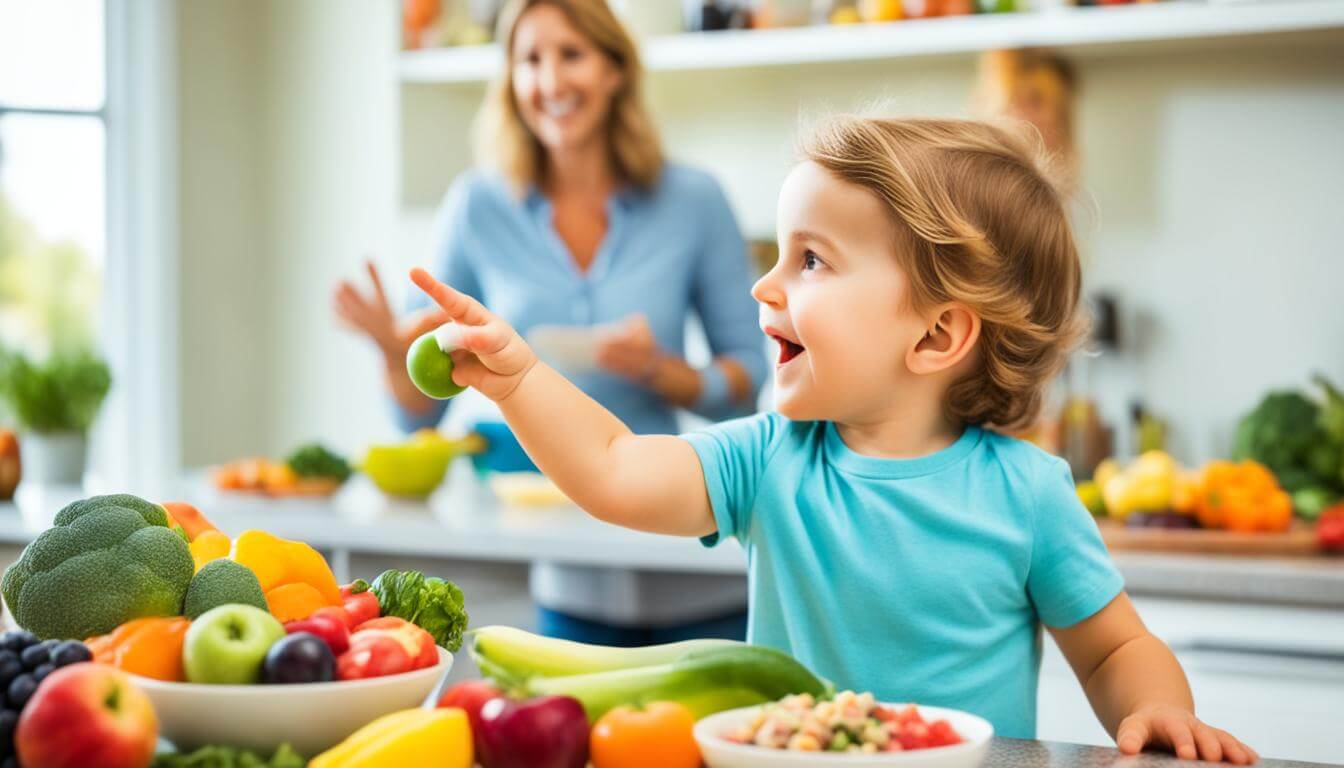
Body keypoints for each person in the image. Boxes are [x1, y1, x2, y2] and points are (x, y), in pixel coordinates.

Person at [402, 116, 1259, 762]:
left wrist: (1156, 713)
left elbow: (1114, 647)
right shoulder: (769, 457)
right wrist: (519, 380)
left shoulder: (1027, 493)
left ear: (934, 337)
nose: (763, 285)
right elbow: (615, 467)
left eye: (810, 260)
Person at [333, 0, 765, 644]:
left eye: (571, 55)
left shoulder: (694, 200)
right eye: (529, 60)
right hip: (564, 573)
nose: (550, 81)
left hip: (688, 560)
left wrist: (662, 371)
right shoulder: (478, 206)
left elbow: (749, 382)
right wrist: (396, 358)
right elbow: (418, 418)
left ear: (615, 69)